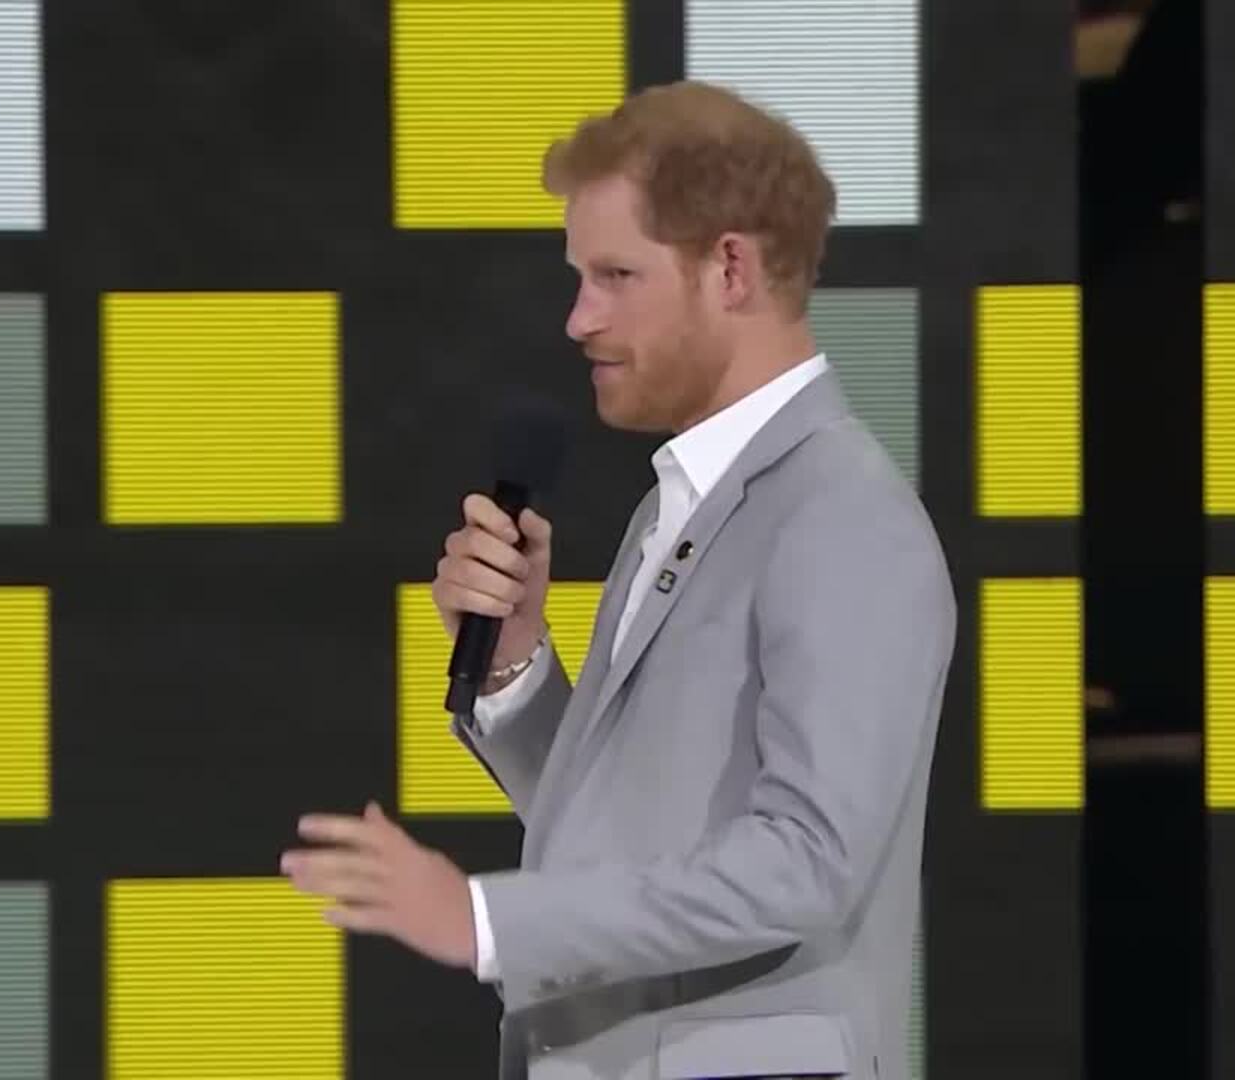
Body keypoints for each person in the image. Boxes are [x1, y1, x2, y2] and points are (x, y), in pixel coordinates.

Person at [283, 79, 956, 1080]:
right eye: (580, 278)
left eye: (615, 276)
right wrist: (515, 667)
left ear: (731, 268)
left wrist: (481, 919)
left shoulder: (843, 517)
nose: (578, 319)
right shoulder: (675, 507)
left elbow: (808, 862)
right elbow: (630, 830)